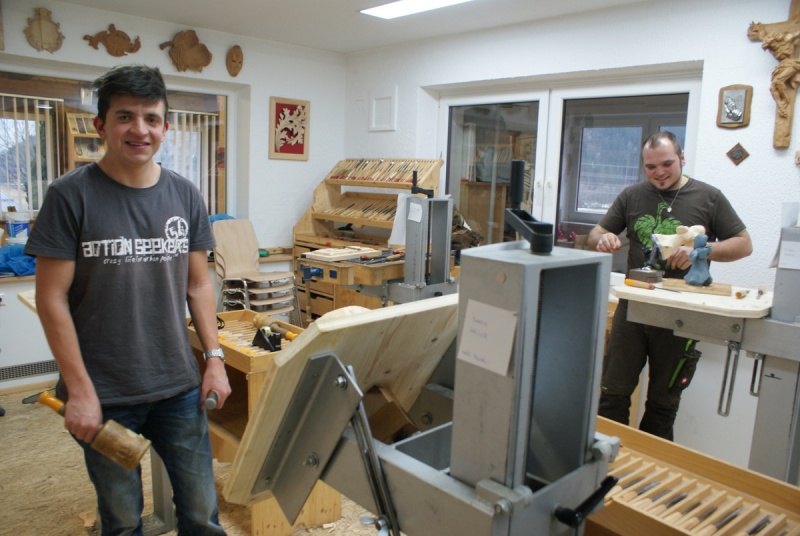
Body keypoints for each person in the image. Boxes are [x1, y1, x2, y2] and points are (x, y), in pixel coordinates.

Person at [24, 64, 231, 535]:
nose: (140, 129)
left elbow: (198, 285)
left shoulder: (185, 194)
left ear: (165, 127)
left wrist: (214, 360)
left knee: (202, 513)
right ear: (101, 125)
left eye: (151, 118)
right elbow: (51, 298)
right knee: (120, 520)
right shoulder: (69, 195)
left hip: (177, 384)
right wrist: (79, 390)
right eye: (125, 117)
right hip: (104, 390)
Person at [587, 131, 752, 440]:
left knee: (663, 405)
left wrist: (702, 252)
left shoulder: (709, 197)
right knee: (612, 396)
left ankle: (651, 469)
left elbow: (744, 245)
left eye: (667, 164)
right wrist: (603, 238)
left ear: (682, 158)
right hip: (633, 310)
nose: (659, 173)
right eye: (651, 167)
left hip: (680, 316)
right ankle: (607, 463)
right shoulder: (631, 196)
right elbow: (595, 234)